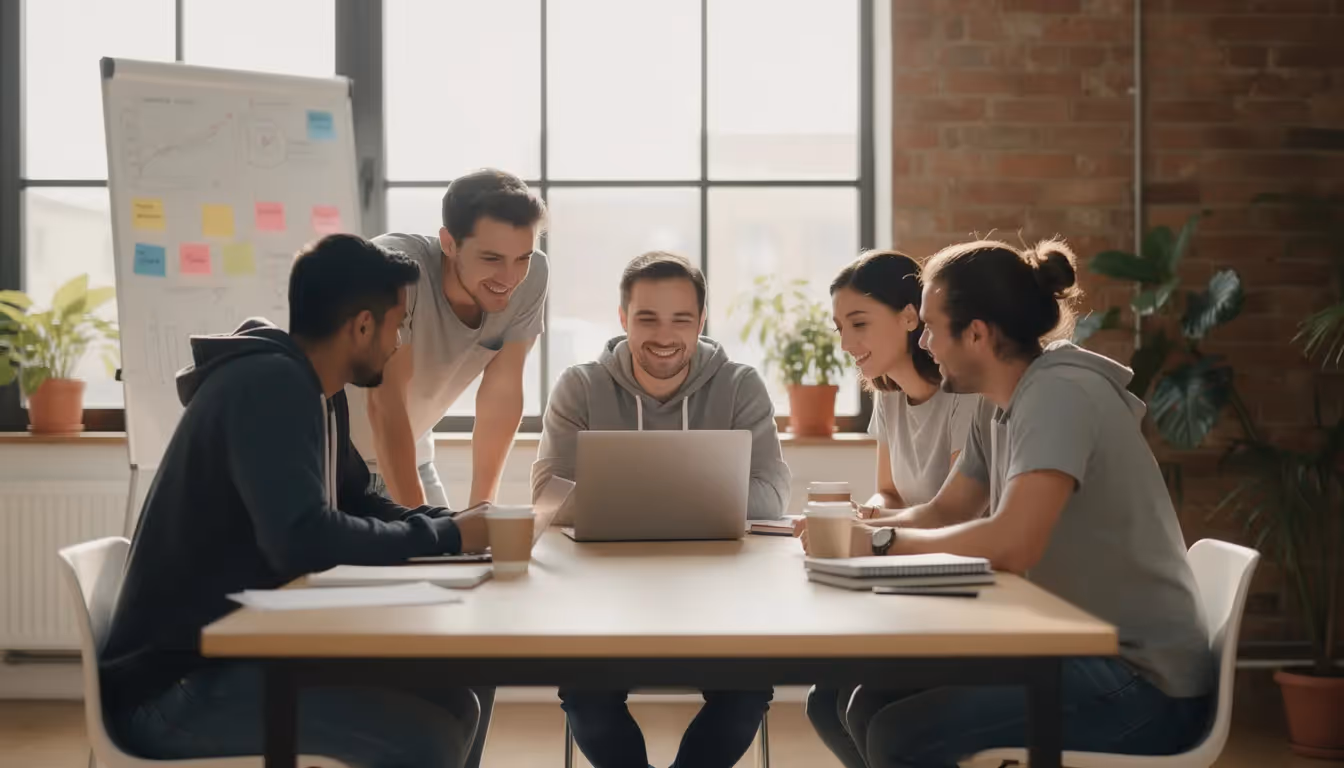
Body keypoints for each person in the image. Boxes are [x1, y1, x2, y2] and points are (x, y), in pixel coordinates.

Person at [803, 238, 1214, 767]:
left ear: (976, 333)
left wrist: (878, 543)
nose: (923, 343)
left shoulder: (1059, 394)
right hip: (1070, 652)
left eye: (930, 326)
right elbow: (944, 511)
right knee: (862, 705)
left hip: (1142, 682)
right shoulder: (1002, 403)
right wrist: (849, 529)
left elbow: (1012, 544)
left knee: (904, 735)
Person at [102, 234, 491, 768]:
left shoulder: (316, 390)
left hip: (241, 654)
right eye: (398, 325)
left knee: (456, 702)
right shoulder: (271, 385)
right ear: (361, 326)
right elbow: (303, 539)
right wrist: (448, 537)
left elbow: (362, 499)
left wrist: (456, 525)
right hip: (176, 687)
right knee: (427, 740)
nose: (400, 342)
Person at [533, 251, 789, 768]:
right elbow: (548, 494)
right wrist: (700, 490)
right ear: (623, 318)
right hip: (603, 592)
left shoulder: (740, 386)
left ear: (702, 321)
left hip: (722, 593)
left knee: (746, 691)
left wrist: (623, 491)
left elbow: (771, 495)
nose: (664, 335)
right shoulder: (580, 386)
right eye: (647, 318)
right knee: (585, 692)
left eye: (681, 319)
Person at [803, 250, 983, 768]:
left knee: (866, 709)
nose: (846, 343)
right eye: (840, 327)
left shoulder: (966, 398)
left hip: (955, 587)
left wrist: (870, 531)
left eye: (859, 323)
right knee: (823, 702)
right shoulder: (888, 395)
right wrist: (864, 514)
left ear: (911, 316)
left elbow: (956, 511)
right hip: (913, 576)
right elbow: (891, 492)